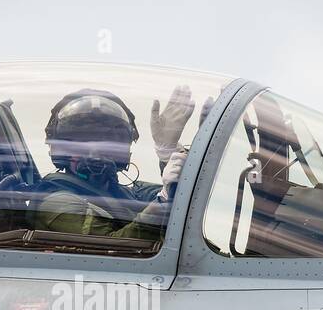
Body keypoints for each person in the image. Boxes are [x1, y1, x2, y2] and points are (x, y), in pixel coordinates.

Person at [33, 85, 208, 241]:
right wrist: (161, 201)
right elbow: (114, 246)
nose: (95, 152)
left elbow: (189, 200)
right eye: (83, 142)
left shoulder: (134, 193)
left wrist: (168, 153)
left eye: (107, 142)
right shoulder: (55, 201)